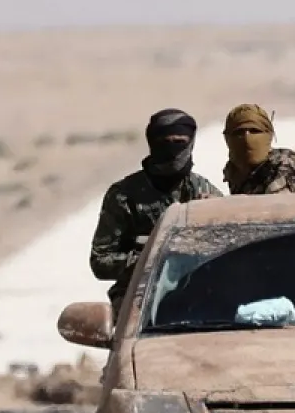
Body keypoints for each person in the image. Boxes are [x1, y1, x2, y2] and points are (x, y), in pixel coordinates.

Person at [90, 108, 222, 319]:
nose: (173, 150)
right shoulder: (124, 196)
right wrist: (150, 258)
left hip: (198, 292)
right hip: (139, 295)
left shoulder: (205, 193)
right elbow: (100, 261)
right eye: (165, 142)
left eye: (180, 142)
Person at [221, 103, 295, 195]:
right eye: (238, 132)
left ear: (268, 135)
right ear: (227, 138)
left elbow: (284, 210)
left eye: (254, 131)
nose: (247, 138)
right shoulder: (235, 171)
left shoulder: (287, 167)